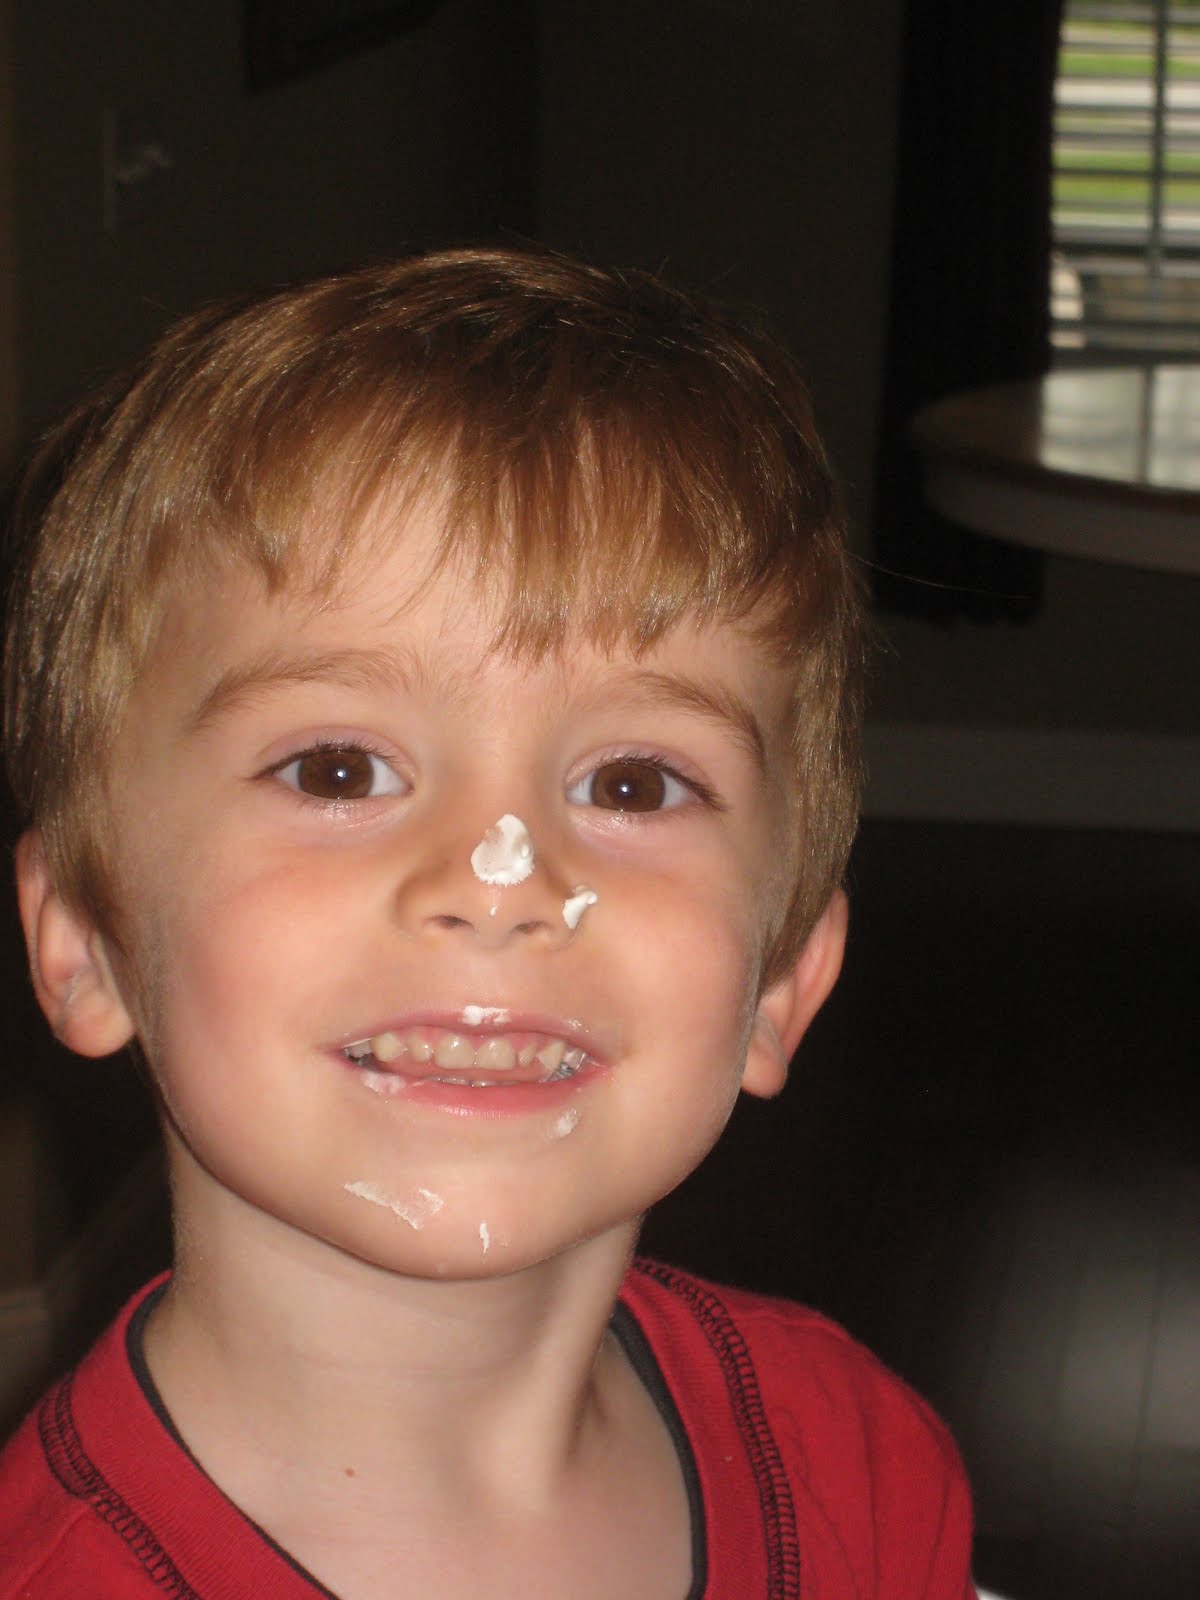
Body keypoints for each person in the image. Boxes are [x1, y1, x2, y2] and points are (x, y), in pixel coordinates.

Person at [0, 247, 975, 1598]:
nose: (497, 876)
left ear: (782, 979)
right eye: (339, 769)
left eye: (632, 785)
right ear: (84, 941)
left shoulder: (859, 1461)